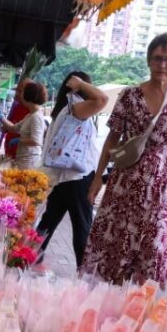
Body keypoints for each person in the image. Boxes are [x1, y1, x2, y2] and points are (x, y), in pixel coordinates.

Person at [81, 33, 167, 288]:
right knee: (118, 243)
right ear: (148, 60)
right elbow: (112, 138)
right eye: (157, 58)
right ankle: (113, 305)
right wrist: (98, 177)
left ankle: (137, 310)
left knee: (153, 248)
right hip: (126, 180)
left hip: (161, 184)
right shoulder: (130, 96)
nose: (162, 65)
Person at [36, 71, 108, 267]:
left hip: (63, 177)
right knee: (82, 228)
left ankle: (26, 259)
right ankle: (84, 276)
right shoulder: (76, 108)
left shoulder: (65, 109)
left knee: (47, 223)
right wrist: (82, 85)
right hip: (76, 177)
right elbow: (102, 99)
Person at [0, 80, 49, 170]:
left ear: (28, 96)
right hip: (22, 160)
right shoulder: (30, 115)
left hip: (30, 163)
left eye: (21, 92)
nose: (19, 95)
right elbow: (14, 128)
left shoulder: (36, 117)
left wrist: (19, 140)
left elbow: (36, 141)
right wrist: (2, 118)